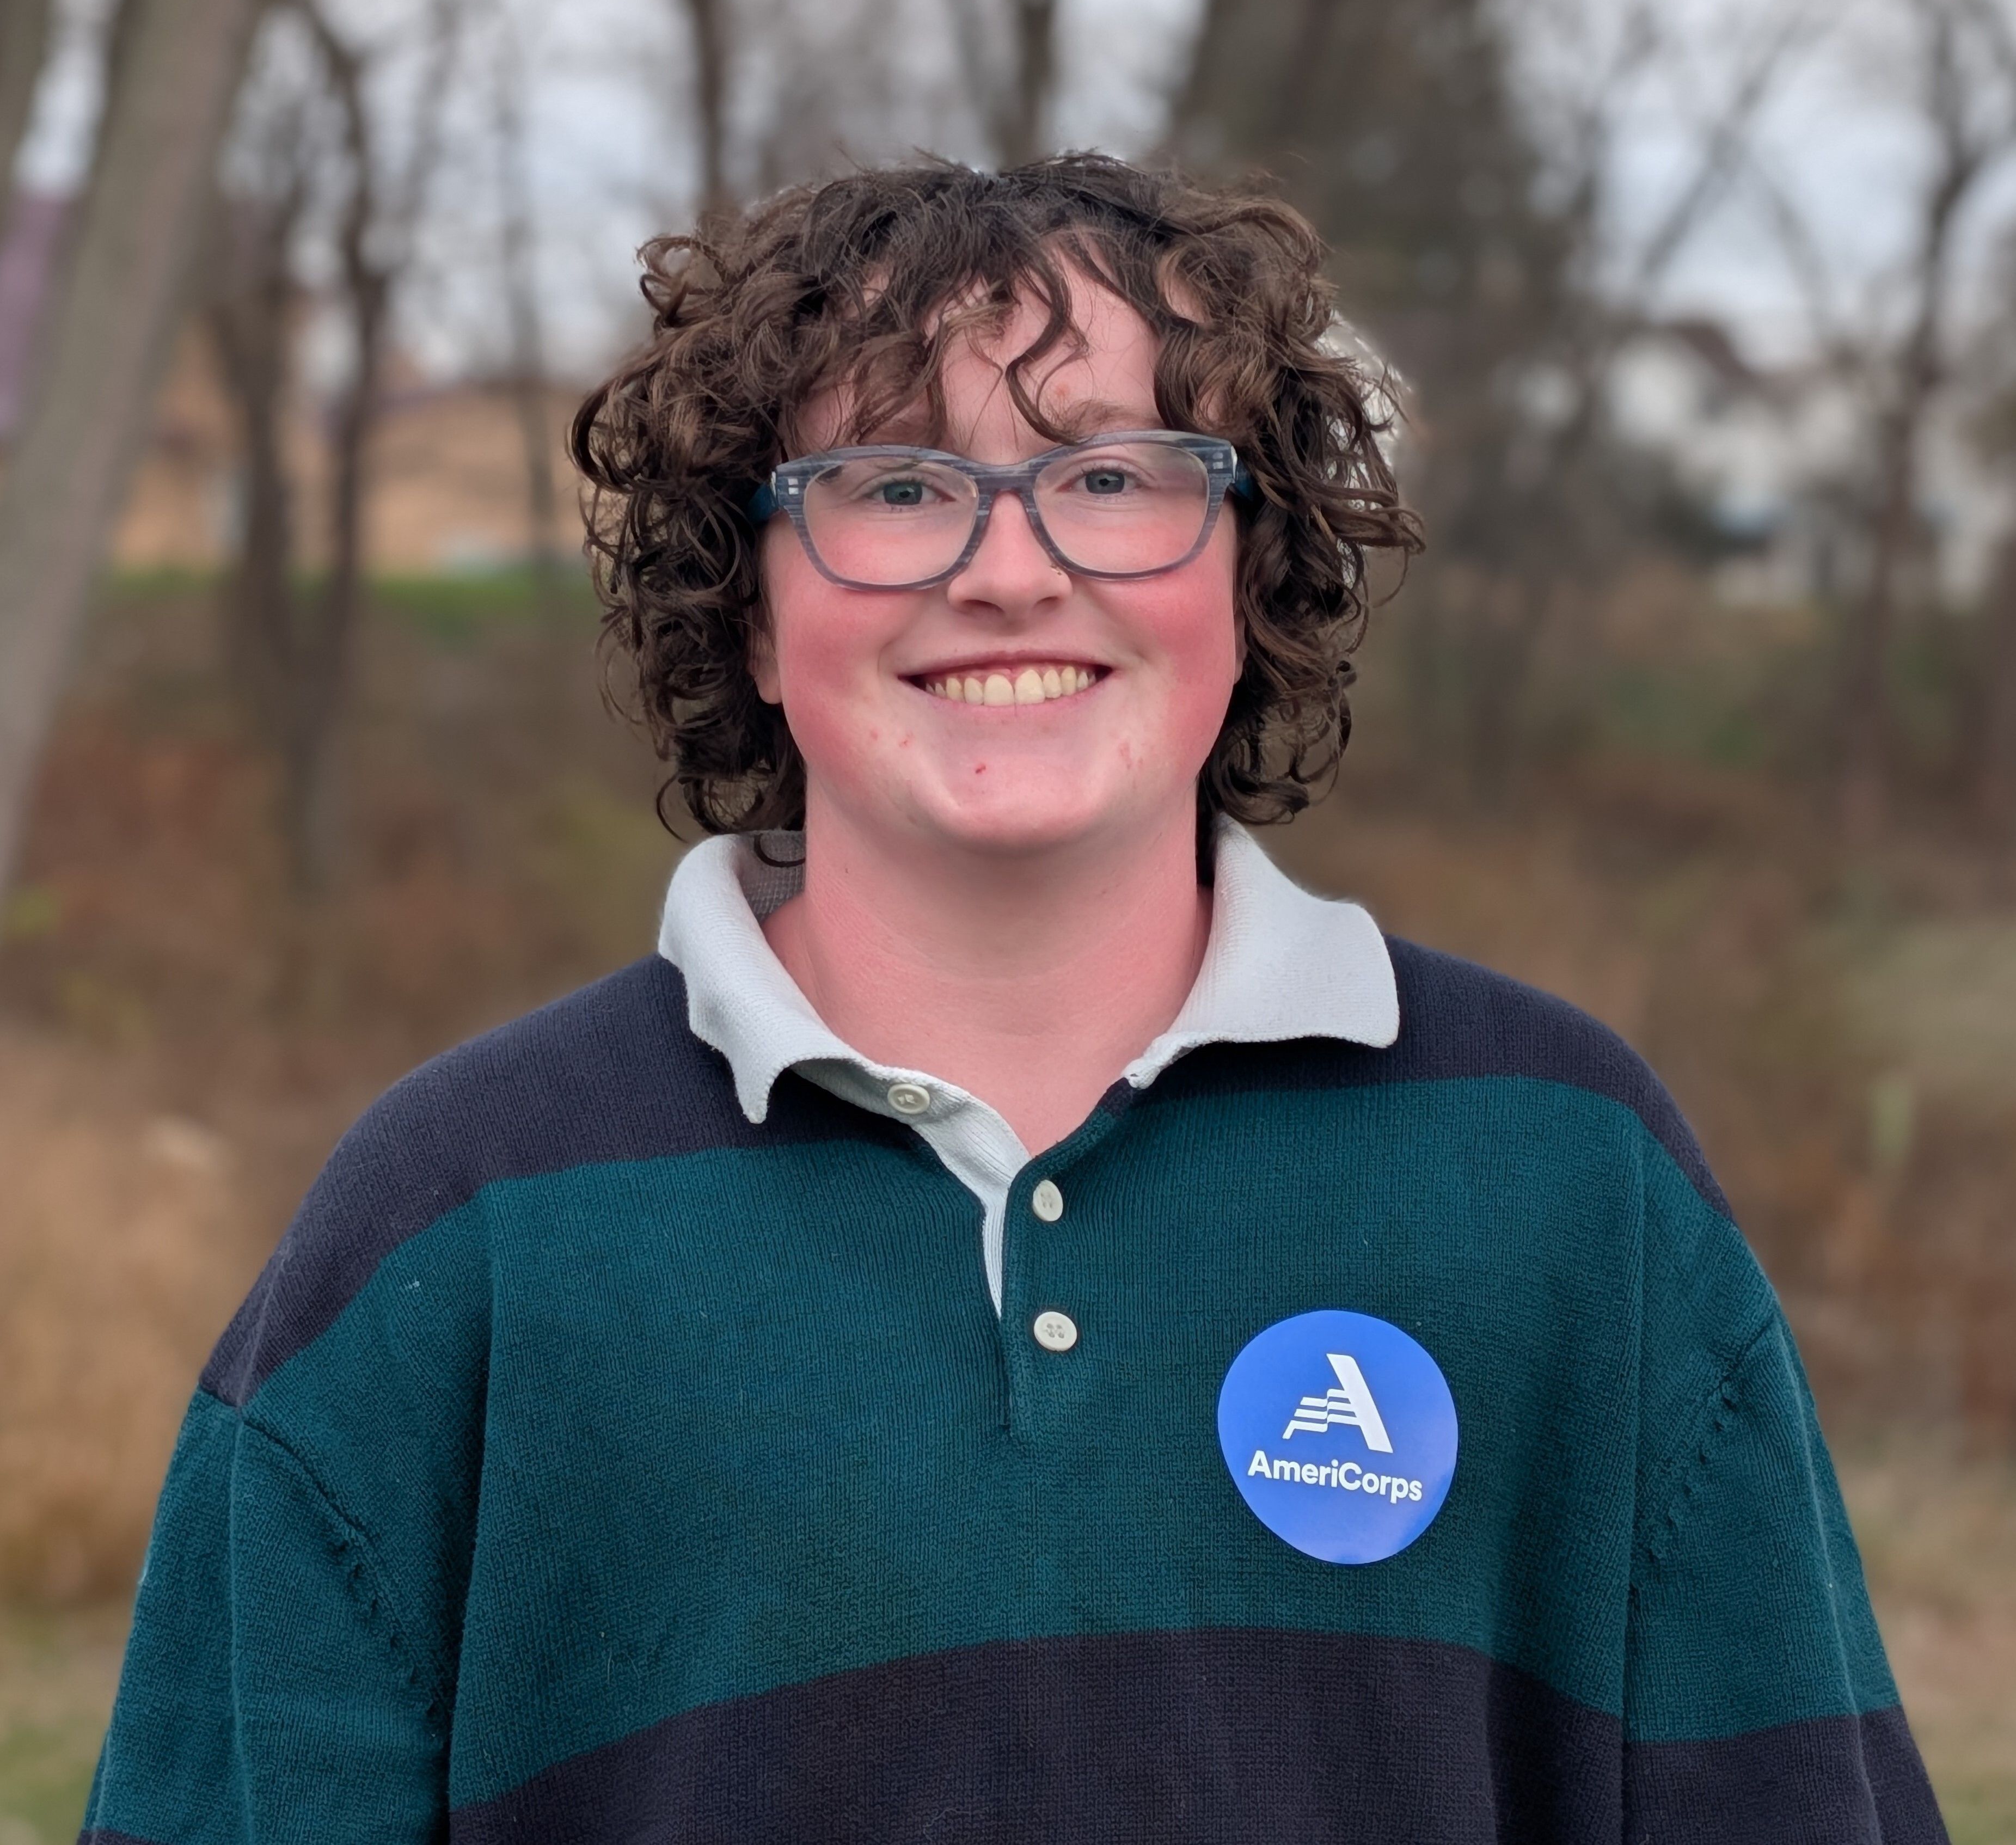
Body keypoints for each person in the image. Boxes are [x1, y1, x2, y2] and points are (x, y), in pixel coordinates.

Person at [82, 155, 1944, 1844]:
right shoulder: (453, 1228)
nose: (1008, 567)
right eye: (895, 485)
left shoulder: (1566, 1179)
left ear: (1253, 573)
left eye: (1116, 479)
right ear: (748, 603)